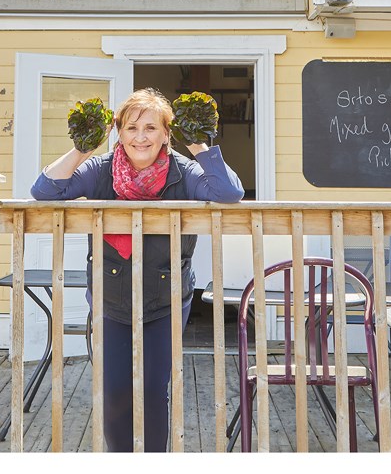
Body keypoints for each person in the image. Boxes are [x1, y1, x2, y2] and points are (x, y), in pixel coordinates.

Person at [30, 87, 244, 452]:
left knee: (152, 390)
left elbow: (228, 193)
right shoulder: (100, 170)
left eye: (150, 128)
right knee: (115, 392)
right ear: (119, 133)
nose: (140, 137)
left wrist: (200, 147)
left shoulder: (184, 171)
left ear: (165, 134)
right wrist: (83, 148)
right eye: (131, 128)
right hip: (112, 298)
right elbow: (44, 191)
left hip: (167, 300)